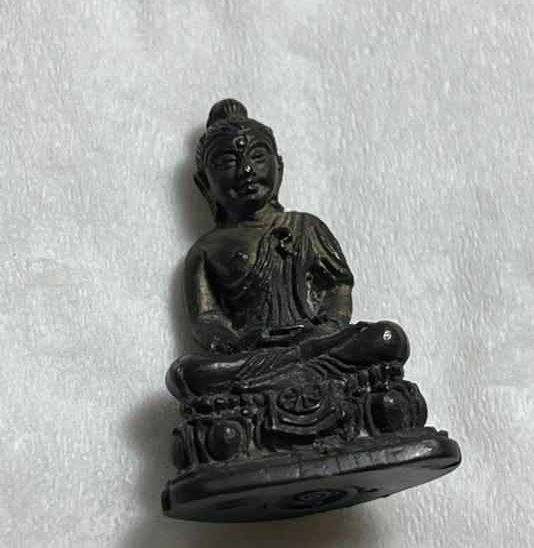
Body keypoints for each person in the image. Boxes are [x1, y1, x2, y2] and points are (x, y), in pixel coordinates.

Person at [167, 99, 409, 399]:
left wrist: (328, 327)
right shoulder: (205, 250)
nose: (245, 170)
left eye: (257, 156)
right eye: (227, 163)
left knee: (387, 337)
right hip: (255, 353)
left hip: (316, 341)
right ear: (205, 182)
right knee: (186, 373)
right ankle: (307, 377)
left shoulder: (307, 226)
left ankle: (274, 383)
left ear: (278, 167)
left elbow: (338, 287)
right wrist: (239, 340)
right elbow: (205, 320)